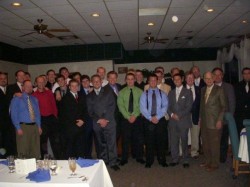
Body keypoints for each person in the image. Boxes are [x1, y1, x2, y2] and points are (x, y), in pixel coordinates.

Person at [87, 75, 120, 171]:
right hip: (97, 123)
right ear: (91, 83)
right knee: (100, 144)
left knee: (112, 143)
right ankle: (104, 161)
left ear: (101, 82)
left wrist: (105, 119)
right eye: (94, 81)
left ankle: (113, 162)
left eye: (98, 81)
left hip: (109, 121)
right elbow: (90, 111)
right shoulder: (89, 96)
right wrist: (100, 120)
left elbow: (112, 106)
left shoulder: (109, 92)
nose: (96, 83)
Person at [199, 72, 227, 172]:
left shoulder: (219, 90)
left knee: (214, 144)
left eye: (210, 78)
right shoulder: (203, 90)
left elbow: (224, 106)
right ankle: (207, 161)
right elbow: (202, 106)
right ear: (204, 79)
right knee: (205, 143)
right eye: (206, 78)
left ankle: (214, 164)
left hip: (215, 122)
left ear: (214, 78)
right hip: (204, 121)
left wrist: (220, 120)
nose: (209, 80)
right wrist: (200, 119)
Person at [140, 74, 168, 168]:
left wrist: (157, 117)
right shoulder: (144, 94)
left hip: (160, 120)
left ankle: (162, 160)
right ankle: (149, 161)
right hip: (148, 120)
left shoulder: (162, 93)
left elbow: (165, 107)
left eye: (154, 80)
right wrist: (151, 118)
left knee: (161, 141)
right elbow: (142, 108)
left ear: (157, 81)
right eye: (151, 80)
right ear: (148, 82)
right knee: (149, 141)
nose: (153, 82)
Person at [10, 80, 42, 159]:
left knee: (35, 150)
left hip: (34, 126)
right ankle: (24, 170)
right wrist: (18, 128)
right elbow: (14, 114)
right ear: (23, 87)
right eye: (27, 86)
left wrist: (39, 126)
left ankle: (36, 170)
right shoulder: (16, 99)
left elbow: (37, 114)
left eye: (31, 86)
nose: (29, 88)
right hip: (23, 127)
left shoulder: (34, 99)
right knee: (23, 151)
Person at [117, 73, 145, 165]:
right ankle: (124, 158)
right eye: (128, 79)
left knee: (138, 138)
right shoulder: (121, 92)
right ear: (125, 80)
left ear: (134, 80)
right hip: (125, 119)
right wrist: (128, 116)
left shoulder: (140, 91)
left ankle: (139, 157)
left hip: (137, 118)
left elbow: (142, 105)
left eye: (132, 79)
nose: (130, 81)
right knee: (125, 139)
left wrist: (135, 115)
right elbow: (120, 105)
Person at [168, 73, 193, 168]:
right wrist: (171, 114)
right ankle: (175, 159)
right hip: (173, 121)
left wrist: (179, 115)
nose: (177, 81)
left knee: (184, 141)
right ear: (173, 80)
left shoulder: (188, 92)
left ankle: (185, 159)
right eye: (175, 80)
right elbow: (168, 106)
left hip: (183, 121)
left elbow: (189, 106)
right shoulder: (171, 92)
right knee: (174, 141)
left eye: (178, 79)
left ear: (182, 79)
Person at [33, 76, 61, 159]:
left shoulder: (49, 93)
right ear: (36, 83)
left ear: (45, 83)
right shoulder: (33, 95)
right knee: (43, 143)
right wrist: (38, 125)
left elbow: (54, 106)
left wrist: (55, 116)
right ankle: (44, 161)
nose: (41, 83)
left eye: (42, 82)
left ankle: (58, 160)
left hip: (52, 119)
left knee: (56, 142)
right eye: (39, 82)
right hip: (41, 120)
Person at [212, 67, 235, 163]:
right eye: (215, 75)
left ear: (222, 76)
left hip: (224, 119)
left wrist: (228, 118)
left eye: (219, 74)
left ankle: (222, 158)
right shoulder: (210, 87)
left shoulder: (228, 87)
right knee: (214, 140)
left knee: (223, 140)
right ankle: (214, 157)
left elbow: (232, 103)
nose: (217, 77)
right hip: (212, 119)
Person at [60, 80, 87, 158]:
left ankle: (80, 164)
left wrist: (83, 120)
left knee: (80, 147)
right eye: (72, 86)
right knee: (71, 149)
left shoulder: (82, 96)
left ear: (78, 87)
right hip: (71, 127)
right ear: (69, 87)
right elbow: (65, 114)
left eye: (76, 86)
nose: (75, 87)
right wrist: (76, 122)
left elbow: (85, 109)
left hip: (81, 125)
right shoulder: (65, 98)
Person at [6, 70, 26, 156]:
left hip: (26, 119)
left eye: (23, 75)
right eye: (19, 75)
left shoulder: (28, 86)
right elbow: (6, 100)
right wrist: (14, 94)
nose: (21, 77)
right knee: (15, 139)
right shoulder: (10, 87)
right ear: (16, 77)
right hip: (16, 117)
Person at [185, 72, 201, 159]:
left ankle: (194, 152)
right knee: (183, 135)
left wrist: (200, 117)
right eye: (188, 77)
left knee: (195, 135)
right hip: (184, 117)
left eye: (192, 78)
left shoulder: (199, 89)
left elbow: (201, 105)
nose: (190, 79)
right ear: (185, 79)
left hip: (196, 116)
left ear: (194, 79)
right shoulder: (181, 89)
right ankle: (183, 152)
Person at [79, 75, 95, 158]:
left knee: (97, 139)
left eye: (87, 81)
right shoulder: (79, 92)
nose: (85, 83)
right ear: (81, 83)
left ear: (90, 81)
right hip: (86, 119)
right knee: (87, 139)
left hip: (96, 118)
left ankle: (100, 156)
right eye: (83, 81)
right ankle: (87, 156)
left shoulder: (95, 89)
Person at [234, 67, 250, 135]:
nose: (246, 75)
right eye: (245, 73)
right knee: (241, 134)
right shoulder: (237, 86)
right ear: (242, 75)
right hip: (240, 115)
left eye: (248, 73)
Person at [0, 72, 8, 155]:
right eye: (1, 78)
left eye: (5, 78)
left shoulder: (8, 90)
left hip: (7, 123)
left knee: (5, 143)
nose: (3, 80)